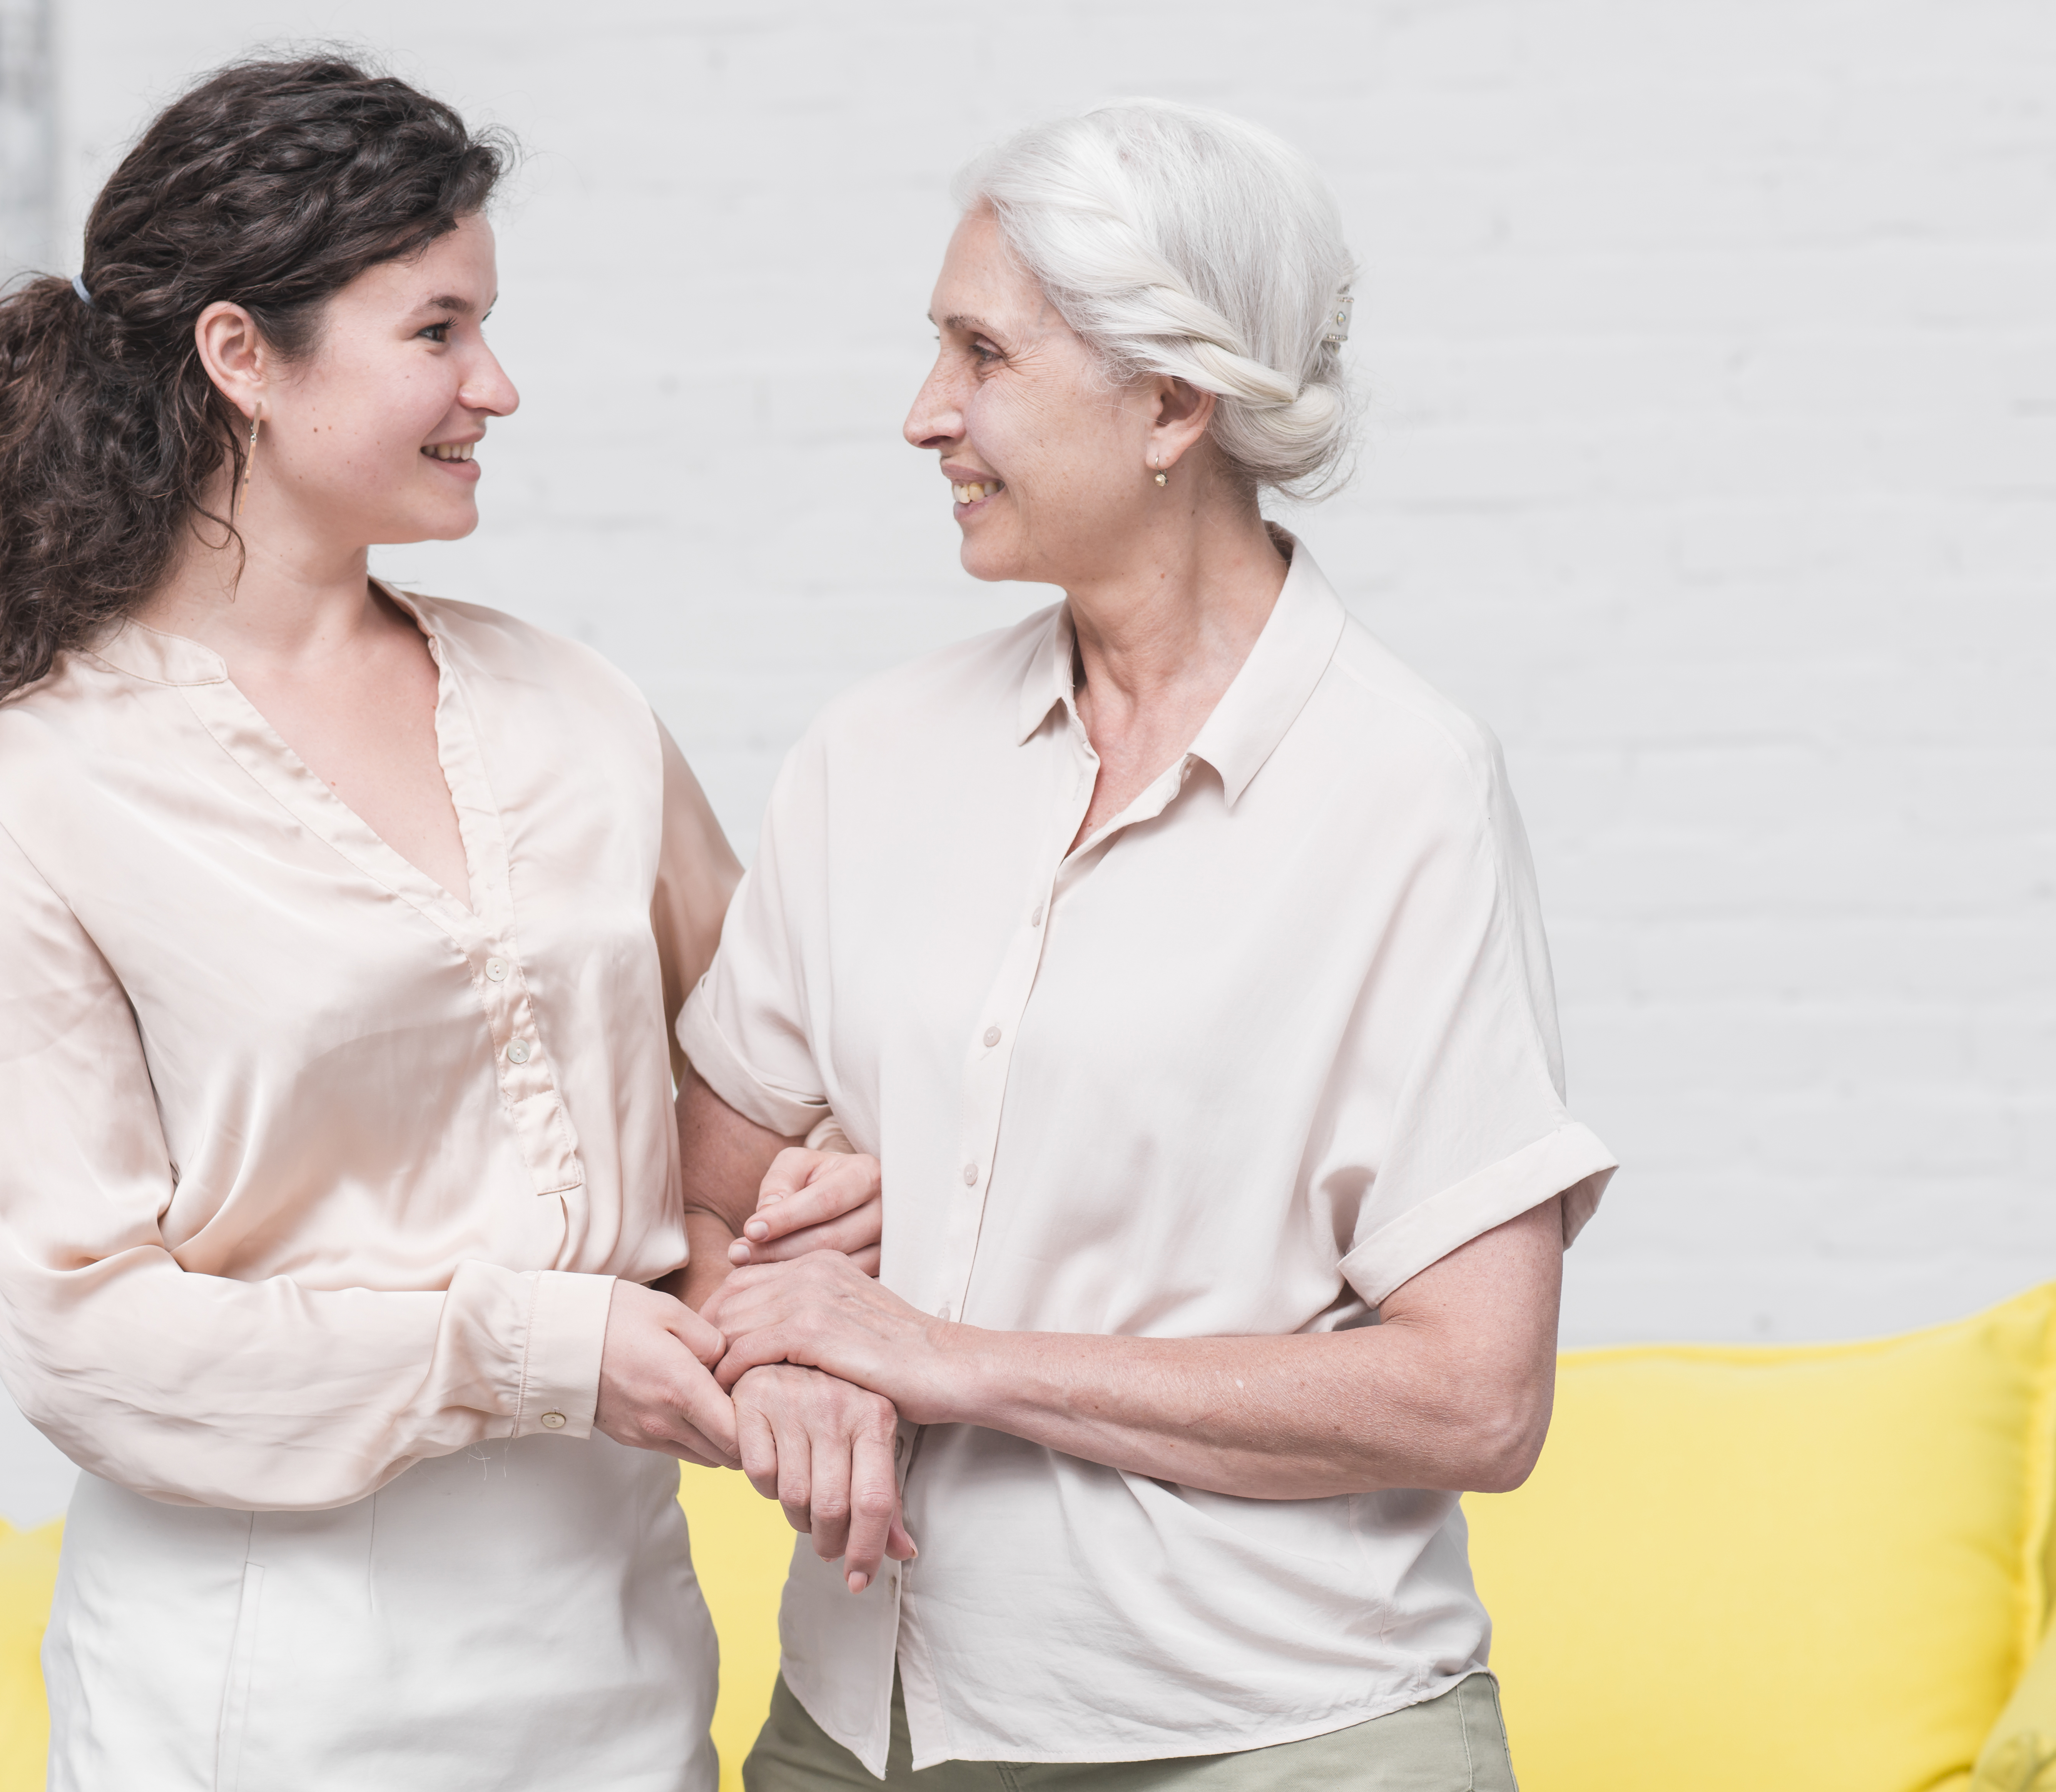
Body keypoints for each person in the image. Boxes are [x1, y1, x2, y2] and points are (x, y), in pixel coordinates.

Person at [0, 57, 861, 1791]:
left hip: (617, 1660)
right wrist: (539, 1346)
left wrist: (800, 1249)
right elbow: (81, 1333)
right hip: (264, 1694)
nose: (495, 384)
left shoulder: (573, 710)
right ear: (240, 356)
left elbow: (763, 1088)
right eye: (436, 330)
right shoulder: (42, 789)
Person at [673, 100, 1616, 1790]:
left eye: (982, 354)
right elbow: (696, 1195)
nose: (923, 416)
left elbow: (1477, 1401)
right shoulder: (868, 756)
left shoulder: (1402, 791)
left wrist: (944, 1356)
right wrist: (790, 1313)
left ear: (1173, 403)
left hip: (1283, 1735)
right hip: (859, 1729)